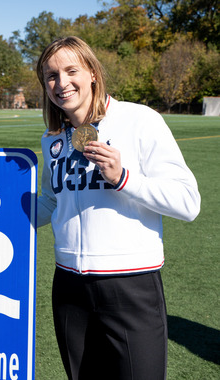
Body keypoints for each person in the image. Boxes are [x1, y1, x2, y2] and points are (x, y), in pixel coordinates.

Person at [35, 36, 201, 379]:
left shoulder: (140, 120)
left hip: (130, 285)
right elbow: (53, 201)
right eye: (51, 76)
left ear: (93, 72)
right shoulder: (52, 138)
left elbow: (188, 202)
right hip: (68, 288)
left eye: (70, 71)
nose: (61, 83)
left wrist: (123, 177)